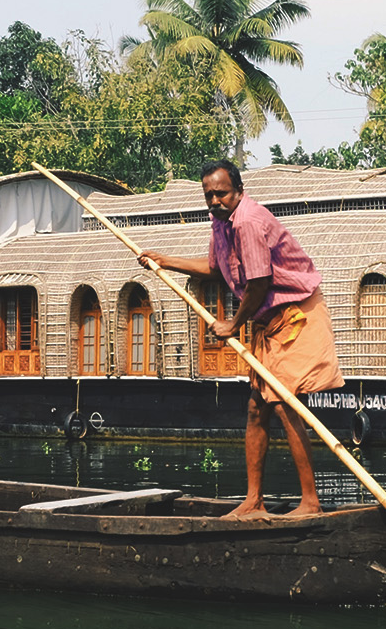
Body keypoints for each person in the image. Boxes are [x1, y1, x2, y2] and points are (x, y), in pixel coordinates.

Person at [140, 161, 343, 519]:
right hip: (269, 321)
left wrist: (233, 324)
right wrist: (165, 261)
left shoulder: (248, 221)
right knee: (256, 407)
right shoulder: (221, 223)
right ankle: (253, 501)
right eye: (209, 196)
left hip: (296, 316)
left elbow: (259, 282)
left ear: (238, 190)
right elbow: (216, 270)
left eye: (221, 193)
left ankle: (311, 503)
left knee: (284, 403)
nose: (215, 201)